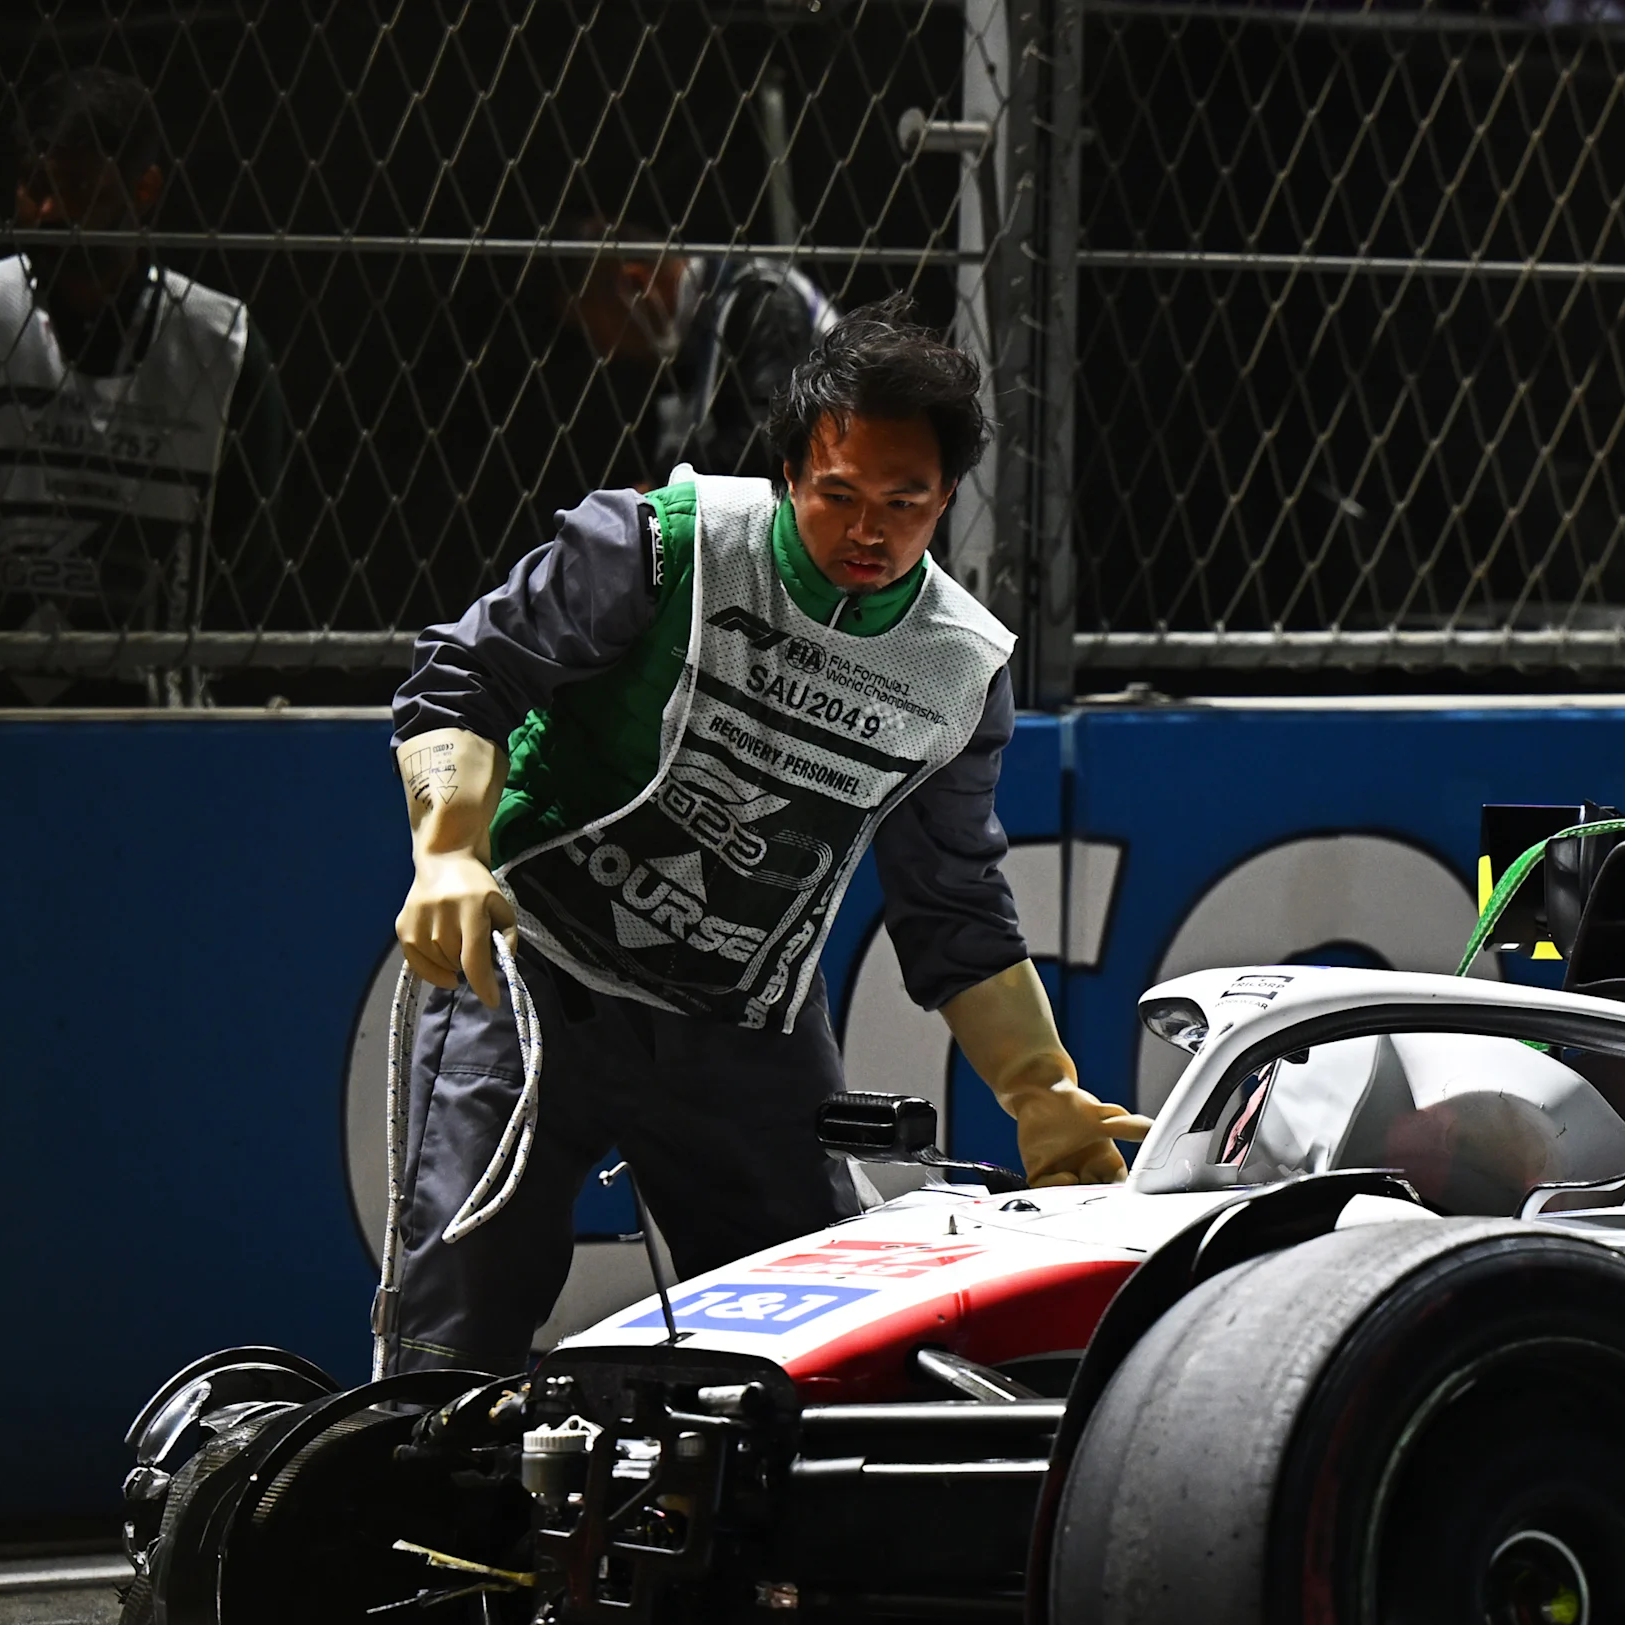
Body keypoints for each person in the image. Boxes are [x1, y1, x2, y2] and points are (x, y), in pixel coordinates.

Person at [380, 297, 1148, 1374]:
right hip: (538, 974)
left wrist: (1043, 1093)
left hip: (740, 1023)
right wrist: (449, 844)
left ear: (946, 501)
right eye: (836, 495)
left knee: (815, 1349)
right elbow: (466, 671)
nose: (867, 531)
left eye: (904, 502)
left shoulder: (956, 672)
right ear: (790, 470)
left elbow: (954, 902)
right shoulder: (661, 545)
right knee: (453, 1320)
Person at [0, 66, 291, 707]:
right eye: (33, 185)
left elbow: (255, 541)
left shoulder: (218, 340)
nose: (45, 212)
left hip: (150, 711)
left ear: (143, 188)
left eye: (74, 187)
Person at [564, 225, 838, 484]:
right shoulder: (699, 320)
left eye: (595, 327)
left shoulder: (761, 298)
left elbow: (770, 440)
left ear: (636, 285)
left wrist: (663, 490)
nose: (603, 348)